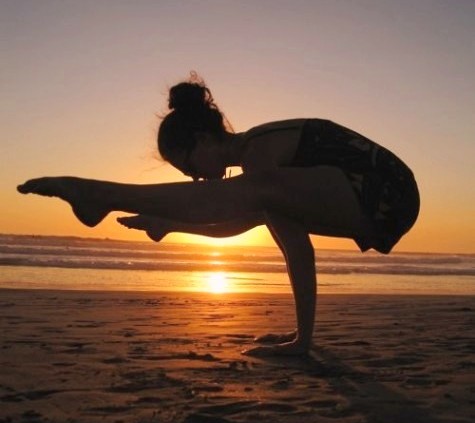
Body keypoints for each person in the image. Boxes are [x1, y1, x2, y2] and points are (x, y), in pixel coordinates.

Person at [17, 74, 419, 356]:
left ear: (204, 138)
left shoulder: (258, 150)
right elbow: (249, 220)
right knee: (277, 215)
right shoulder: (262, 170)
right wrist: (174, 225)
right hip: (370, 199)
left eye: (189, 164)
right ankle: (303, 339)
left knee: (265, 200)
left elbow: (238, 211)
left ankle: (100, 195)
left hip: (387, 192)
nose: (194, 177)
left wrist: (173, 218)